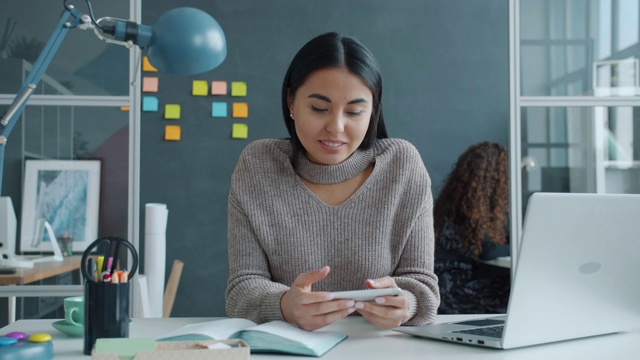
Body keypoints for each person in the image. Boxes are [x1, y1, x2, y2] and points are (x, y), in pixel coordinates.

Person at [225, 32, 439, 331]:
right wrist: (285, 305)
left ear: (373, 110)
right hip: (287, 349)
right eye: (319, 109)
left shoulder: (402, 166)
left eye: (354, 111)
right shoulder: (259, 165)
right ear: (291, 100)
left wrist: (406, 303)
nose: (336, 127)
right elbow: (242, 289)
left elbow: (423, 285)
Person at [433, 142, 510, 314]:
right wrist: (525, 245)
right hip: (453, 289)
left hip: (446, 284)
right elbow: (488, 250)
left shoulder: (455, 202)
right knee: (513, 293)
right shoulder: (469, 207)